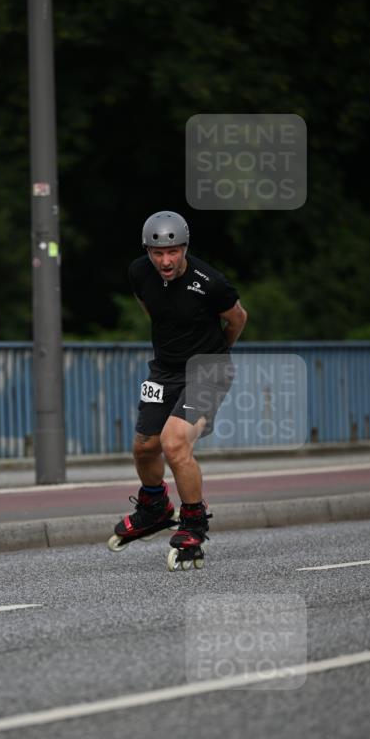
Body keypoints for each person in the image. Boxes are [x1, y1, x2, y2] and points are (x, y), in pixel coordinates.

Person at [108, 210, 248, 563]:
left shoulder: (211, 282)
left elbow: (237, 319)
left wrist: (219, 352)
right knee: (144, 447)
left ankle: (194, 524)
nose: (166, 261)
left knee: (173, 443)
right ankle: (155, 506)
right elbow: (154, 311)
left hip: (207, 370)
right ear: (147, 251)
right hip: (164, 370)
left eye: (173, 252)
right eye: (158, 253)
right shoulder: (139, 272)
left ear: (185, 248)